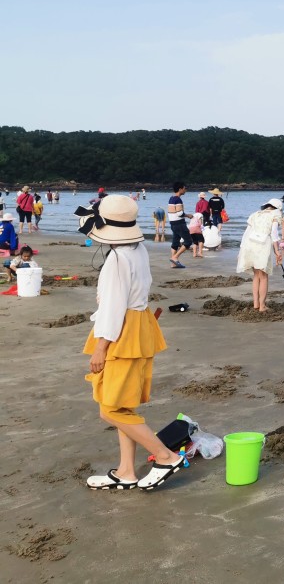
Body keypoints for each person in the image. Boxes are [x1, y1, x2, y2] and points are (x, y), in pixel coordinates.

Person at [76, 195, 186, 490]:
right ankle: (126, 471)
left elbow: (113, 306)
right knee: (121, 405)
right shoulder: (138, 248)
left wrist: (101, 347)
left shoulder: (117, 259)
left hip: (120, 331)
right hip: (138, 325)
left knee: (109, 408)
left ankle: (165, 456)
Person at [236, 198, 284, 311]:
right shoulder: (276, 214)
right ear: (278, 208)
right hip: (263, 245)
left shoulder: (255, 214)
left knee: (256, 276)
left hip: (249, 245)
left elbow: (246, 233)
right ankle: (262, 306)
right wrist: (277, 252)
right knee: (263, 276)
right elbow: (274, 234)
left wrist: (241, 251)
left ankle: (256, 304)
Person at [167, 182, 193, 268]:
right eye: (185, 188)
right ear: (180, 189)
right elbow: (180, 213)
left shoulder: (171, 198)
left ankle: (173, 263)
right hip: (179, 223)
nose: (185, 190)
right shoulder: (178, 199)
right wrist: (188, 215)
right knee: (188, 241)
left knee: (175, 242)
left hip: (173, 223)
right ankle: (175, 257)